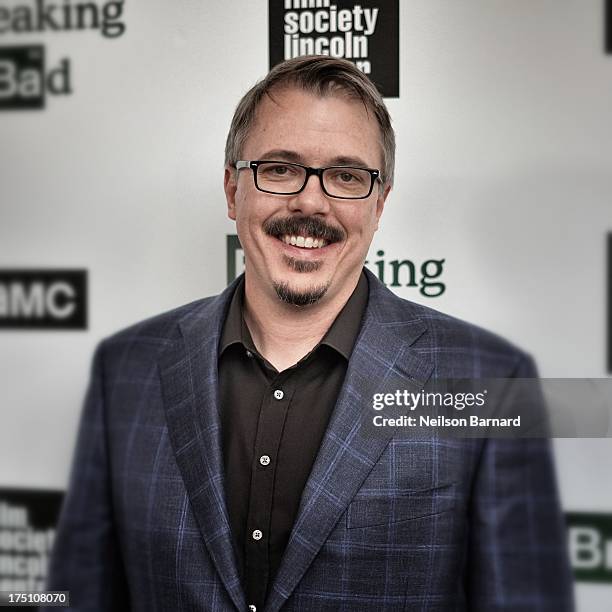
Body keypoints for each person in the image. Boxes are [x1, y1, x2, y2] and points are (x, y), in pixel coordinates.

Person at [45, 56, 574, 611]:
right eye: (279, 168)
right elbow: (81, 593)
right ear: (232, 190)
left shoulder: (489, 377)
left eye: (347, 176)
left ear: (380, 203)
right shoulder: (125, 367)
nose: (311, 203)